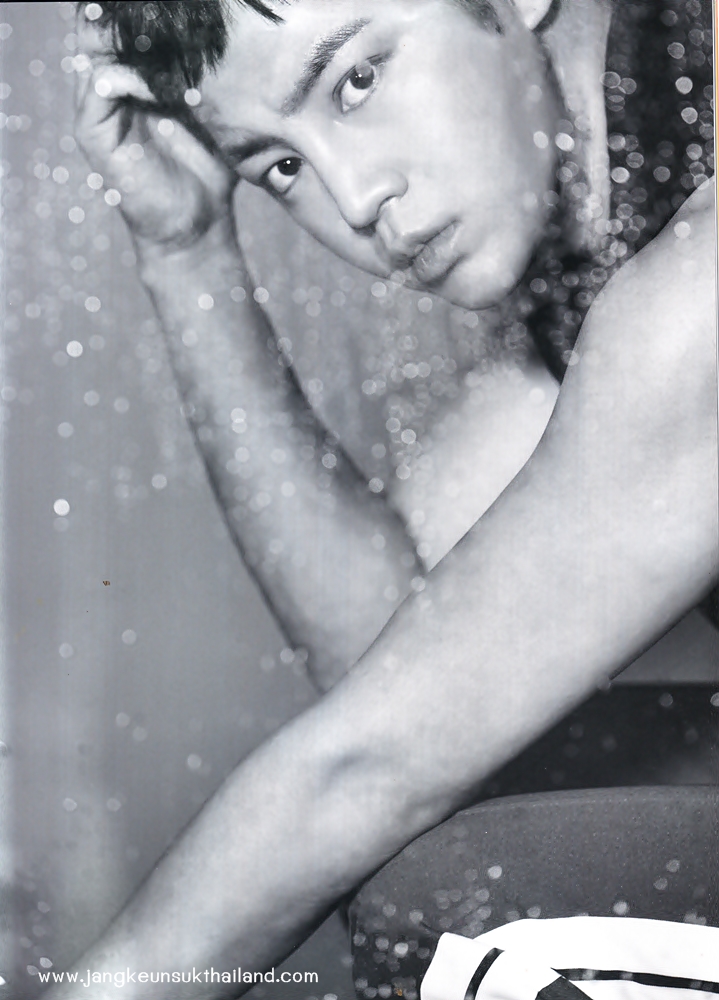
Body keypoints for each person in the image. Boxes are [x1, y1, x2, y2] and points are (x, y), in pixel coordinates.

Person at [42, 0, 716, 997]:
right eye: (280, 166)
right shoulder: (605, 228)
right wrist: (187, 254)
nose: (354, 199)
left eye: (356, 80)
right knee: (448, 865)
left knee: (461, 899)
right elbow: (404, 670)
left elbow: (374, 763)